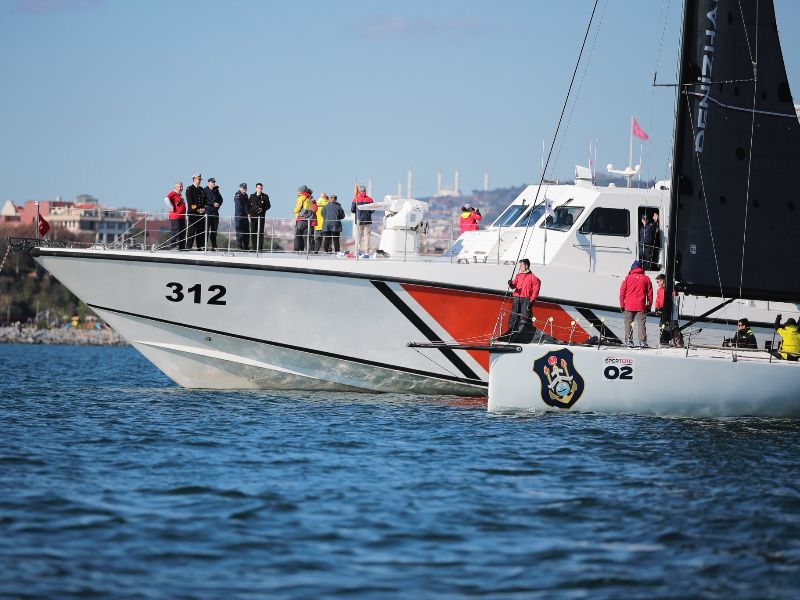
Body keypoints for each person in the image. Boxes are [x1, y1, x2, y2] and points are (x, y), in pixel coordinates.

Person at [503, 258, 541, 341]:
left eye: (521, 265)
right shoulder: (518, 276)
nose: (520, 267)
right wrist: (511, 284)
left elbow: (535, 291)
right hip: (517, 298)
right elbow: (514, 285)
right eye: (520, 265)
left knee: (525, 318)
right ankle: (510, 335)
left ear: (526, 266)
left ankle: (525, 336)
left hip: (526, 300)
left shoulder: (534, 278)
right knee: (513, 317)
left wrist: (532, 301)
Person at [619, 260, 653, 348]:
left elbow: (622, 293)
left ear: (632, 268)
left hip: (629, 305)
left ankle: (629, 341)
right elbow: (650, 294)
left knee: (628, 324)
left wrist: (622, 305)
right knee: (641, 324)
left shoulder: (627, 278)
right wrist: (649, 306)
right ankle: (642, 342)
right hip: (641, 305)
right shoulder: (646, 278)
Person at [185, 173, 206, 250]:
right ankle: (188, 247)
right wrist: (197, 209)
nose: (199, 181)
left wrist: (203, 208)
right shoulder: (189, 189)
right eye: (198, 179)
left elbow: (204, 201)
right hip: (193, 213)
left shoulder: (201, 189)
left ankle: (199, 246)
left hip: (201, 213)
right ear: (194, 179)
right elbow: (190, 202)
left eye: (200, 179)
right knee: (191, 231)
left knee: (200, 230)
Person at [247, 183, 271, 251]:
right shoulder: (252, 196)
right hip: (253, 217)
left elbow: (268, 206)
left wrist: (262, 209)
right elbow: (247, 205)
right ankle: (254, 248)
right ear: (256, 188)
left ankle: (260, 248)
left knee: (260, 232)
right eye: (258, 187)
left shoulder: (265, 196)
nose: (260, 189)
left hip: (261, 217)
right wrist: (248, 213)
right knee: (253, 232)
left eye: (261, 188)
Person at [351, 185, 373, 256]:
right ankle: (366, 251)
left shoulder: (355, 199)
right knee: (367, 236)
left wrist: (357, 212)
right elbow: (372, 210)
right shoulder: (370, 199)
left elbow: (352, 210)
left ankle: (357, 250)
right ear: (365, 191)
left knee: (358, 235)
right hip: (367, 220)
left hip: (358, 220)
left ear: (359, 191)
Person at [163, 181, 185, 250]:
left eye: (182, 186)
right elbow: (166, 199)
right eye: (180, 186)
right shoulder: (173, 193)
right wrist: (171, 207)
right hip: (175, 216)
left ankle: (181, 247)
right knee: (175, 231)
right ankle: (174, 246)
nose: (181, 188)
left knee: (182, 232)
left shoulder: (179, 195)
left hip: (181, 216)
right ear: (176, 187)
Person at [203, 178, 223, 250]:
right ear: (208, 183)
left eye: (214, 182)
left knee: (214, 230)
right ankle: (204, 246)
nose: (214, 183)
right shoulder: (205, 190)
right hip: (208, 212)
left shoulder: (216, 191)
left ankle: (214, 246)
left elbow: (221, 199)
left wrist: (218, 204)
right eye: (212, 182)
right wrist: (212, 203)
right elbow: (204, 200)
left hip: (215, 212)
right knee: (206, 230)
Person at [293, 185, 312, 251]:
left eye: (298, 191)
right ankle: (308, 251)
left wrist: (294, 211)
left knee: (298, 236)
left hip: (301, 219)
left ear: (301, 191)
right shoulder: (309, 198)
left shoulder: (301, 197)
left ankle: (297, 250)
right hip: (308, 220)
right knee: (306, 237)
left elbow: (298, 208)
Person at [234, 183, 250, 250]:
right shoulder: (238, 195)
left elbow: (248, 206)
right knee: (240, 231)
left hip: (245, 216)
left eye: (245, 188)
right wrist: (247, 212)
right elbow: (239, 207)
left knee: (246, 232)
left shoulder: (246, 196)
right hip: (239, 216)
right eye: (243, 188)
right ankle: (239, 246)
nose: (244, 189)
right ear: (240, 188)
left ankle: (246, 246)